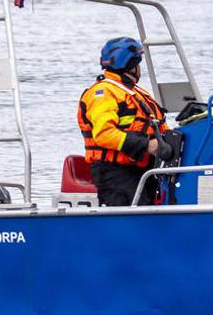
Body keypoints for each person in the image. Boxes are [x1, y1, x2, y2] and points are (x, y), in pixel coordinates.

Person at [77, 36, 179, 206]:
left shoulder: (133, 92)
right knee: (133, 221)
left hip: (143, 170)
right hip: (116, 175)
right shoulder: (103, 94)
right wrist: (147, 146)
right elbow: (104, 135)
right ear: (131, 65)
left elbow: (155, 126)